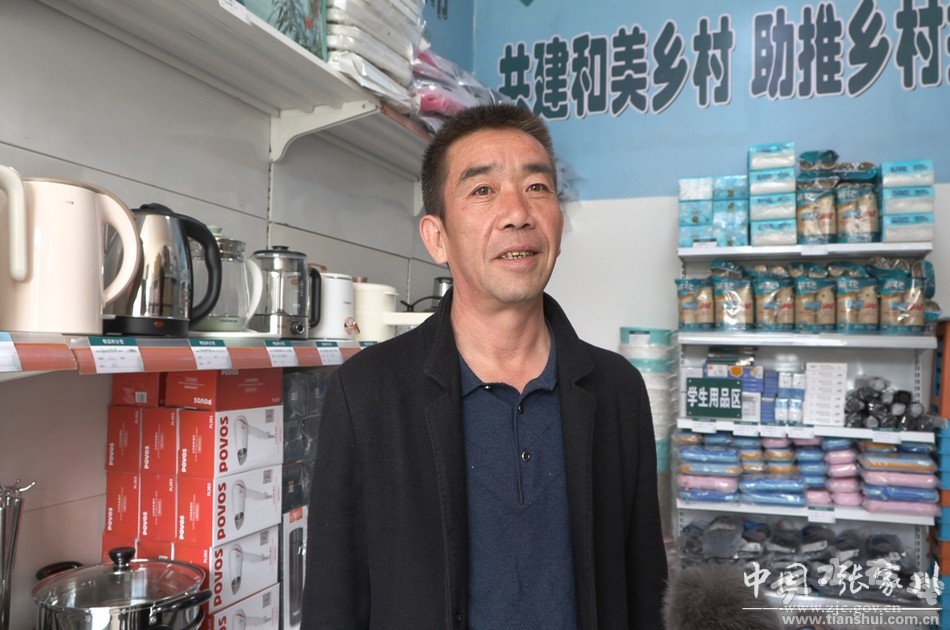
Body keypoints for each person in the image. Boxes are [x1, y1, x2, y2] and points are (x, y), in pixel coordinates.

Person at [301, 103, 668, 629]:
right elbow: (334, 603)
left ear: (559, 221)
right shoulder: (366, 393)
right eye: (483, 190)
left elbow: (645, 589)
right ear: (437, 238)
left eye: (537, 187)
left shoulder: (617, 390)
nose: (518, 212)